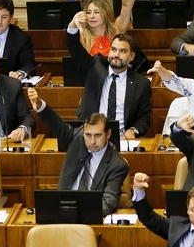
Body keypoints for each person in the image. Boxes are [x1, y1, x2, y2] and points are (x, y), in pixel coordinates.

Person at [28, 88, 129, 216]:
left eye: (97, 135)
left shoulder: (117, 165)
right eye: (88, 135)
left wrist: (76, 213)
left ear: (108, 134)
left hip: (88, 218)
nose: (92, 141)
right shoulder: (78, 139)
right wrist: (40, 105)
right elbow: (57, 125)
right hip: (61, 212)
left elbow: (109, 202)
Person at [65, 31, 152, 139]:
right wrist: (73, 27)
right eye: (113, 49)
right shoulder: (95, 68)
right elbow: (74, 46)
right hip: (90, 136)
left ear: (132, 56)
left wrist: (132, 130)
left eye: (123, 51)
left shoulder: (141, 83)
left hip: (122, 138)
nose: (116, 55)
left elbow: (144, 118)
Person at [70, 0, 138, 57]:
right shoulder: (82, 35)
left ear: (105, 14)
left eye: (96, 12)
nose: (92, 16)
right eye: (88, 12)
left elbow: (126, 6)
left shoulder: (115, 31)